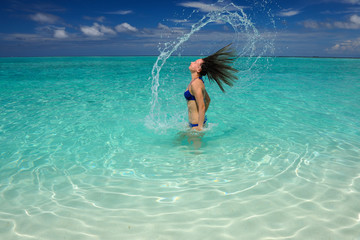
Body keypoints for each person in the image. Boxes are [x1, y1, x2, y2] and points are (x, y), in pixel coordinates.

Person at [184, 44, 239, 131]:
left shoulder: (196, 84)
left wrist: (199, 127)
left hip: (196, 126)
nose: (191, 62)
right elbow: (208, 100)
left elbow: (202, 106)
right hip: (193, 124)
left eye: (195, 63)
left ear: (198, 69)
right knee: (177, 142)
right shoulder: (197, 81)